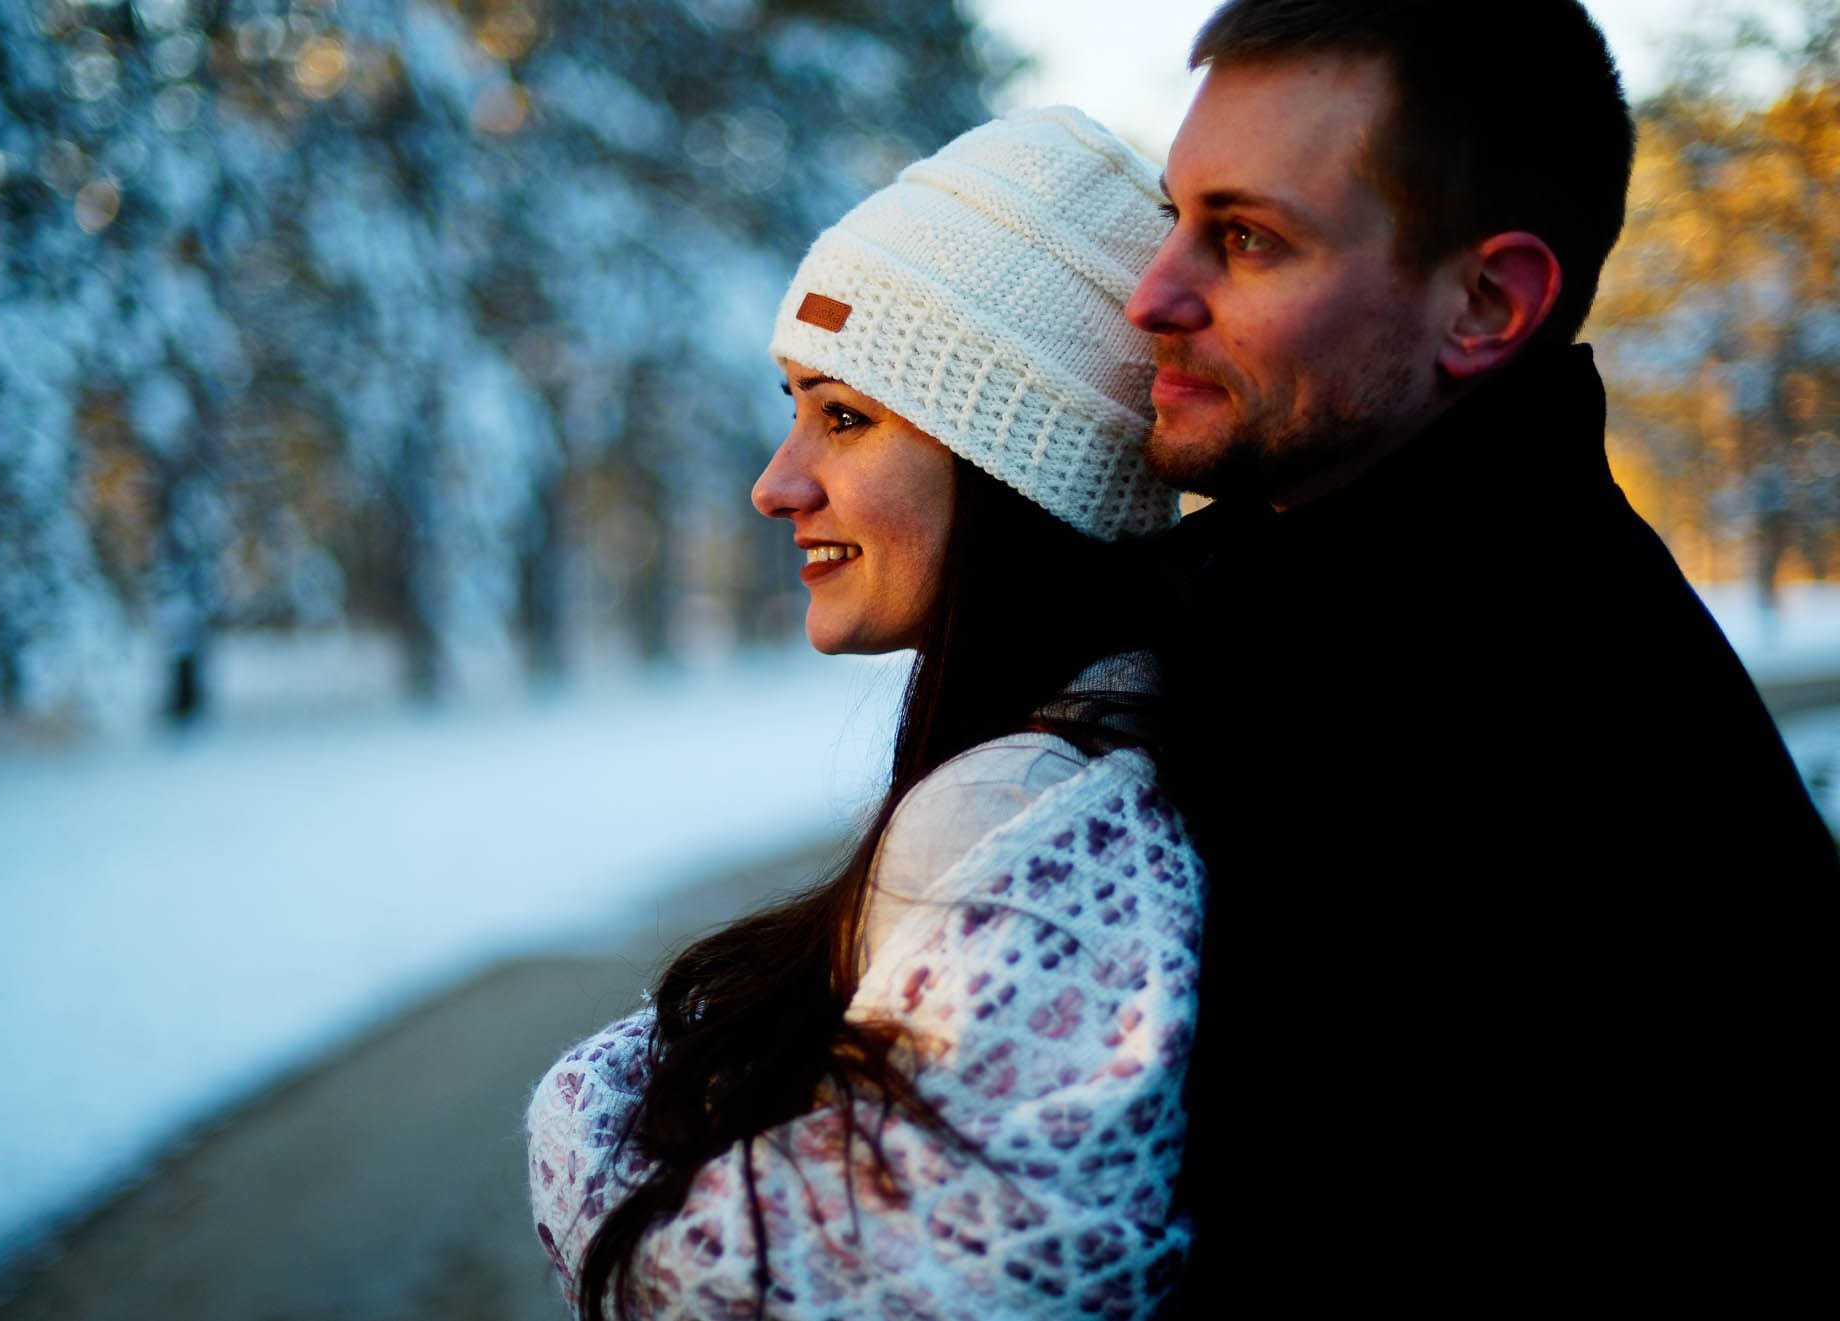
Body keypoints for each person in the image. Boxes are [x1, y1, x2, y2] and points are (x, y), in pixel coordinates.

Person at [1123, 0, 1838, 1311]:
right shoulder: (1267, 584)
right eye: (1171, 217)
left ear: (1487, 301)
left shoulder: (1549, 742)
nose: (1153, 293)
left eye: (1244, 238)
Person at [526, 107, 1200, 1320]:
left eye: (844, 415)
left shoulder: (1015, 814)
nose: (776, 481)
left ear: (1019, 461)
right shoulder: (1114, 739)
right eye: (793, 406)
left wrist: (585, 1150)